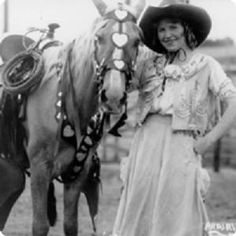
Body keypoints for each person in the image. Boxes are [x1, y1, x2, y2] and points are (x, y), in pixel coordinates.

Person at [112, 0, 236, 235]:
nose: (167, 35)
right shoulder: (148, 65)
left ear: (186, 28)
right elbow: (118, 88)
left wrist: (208, 141)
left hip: (181, 146)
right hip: (145, 143)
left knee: (177, 207)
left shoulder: (207, 65)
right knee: (139, 202)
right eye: (161, 29)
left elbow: (234, 103)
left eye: (173, 27)